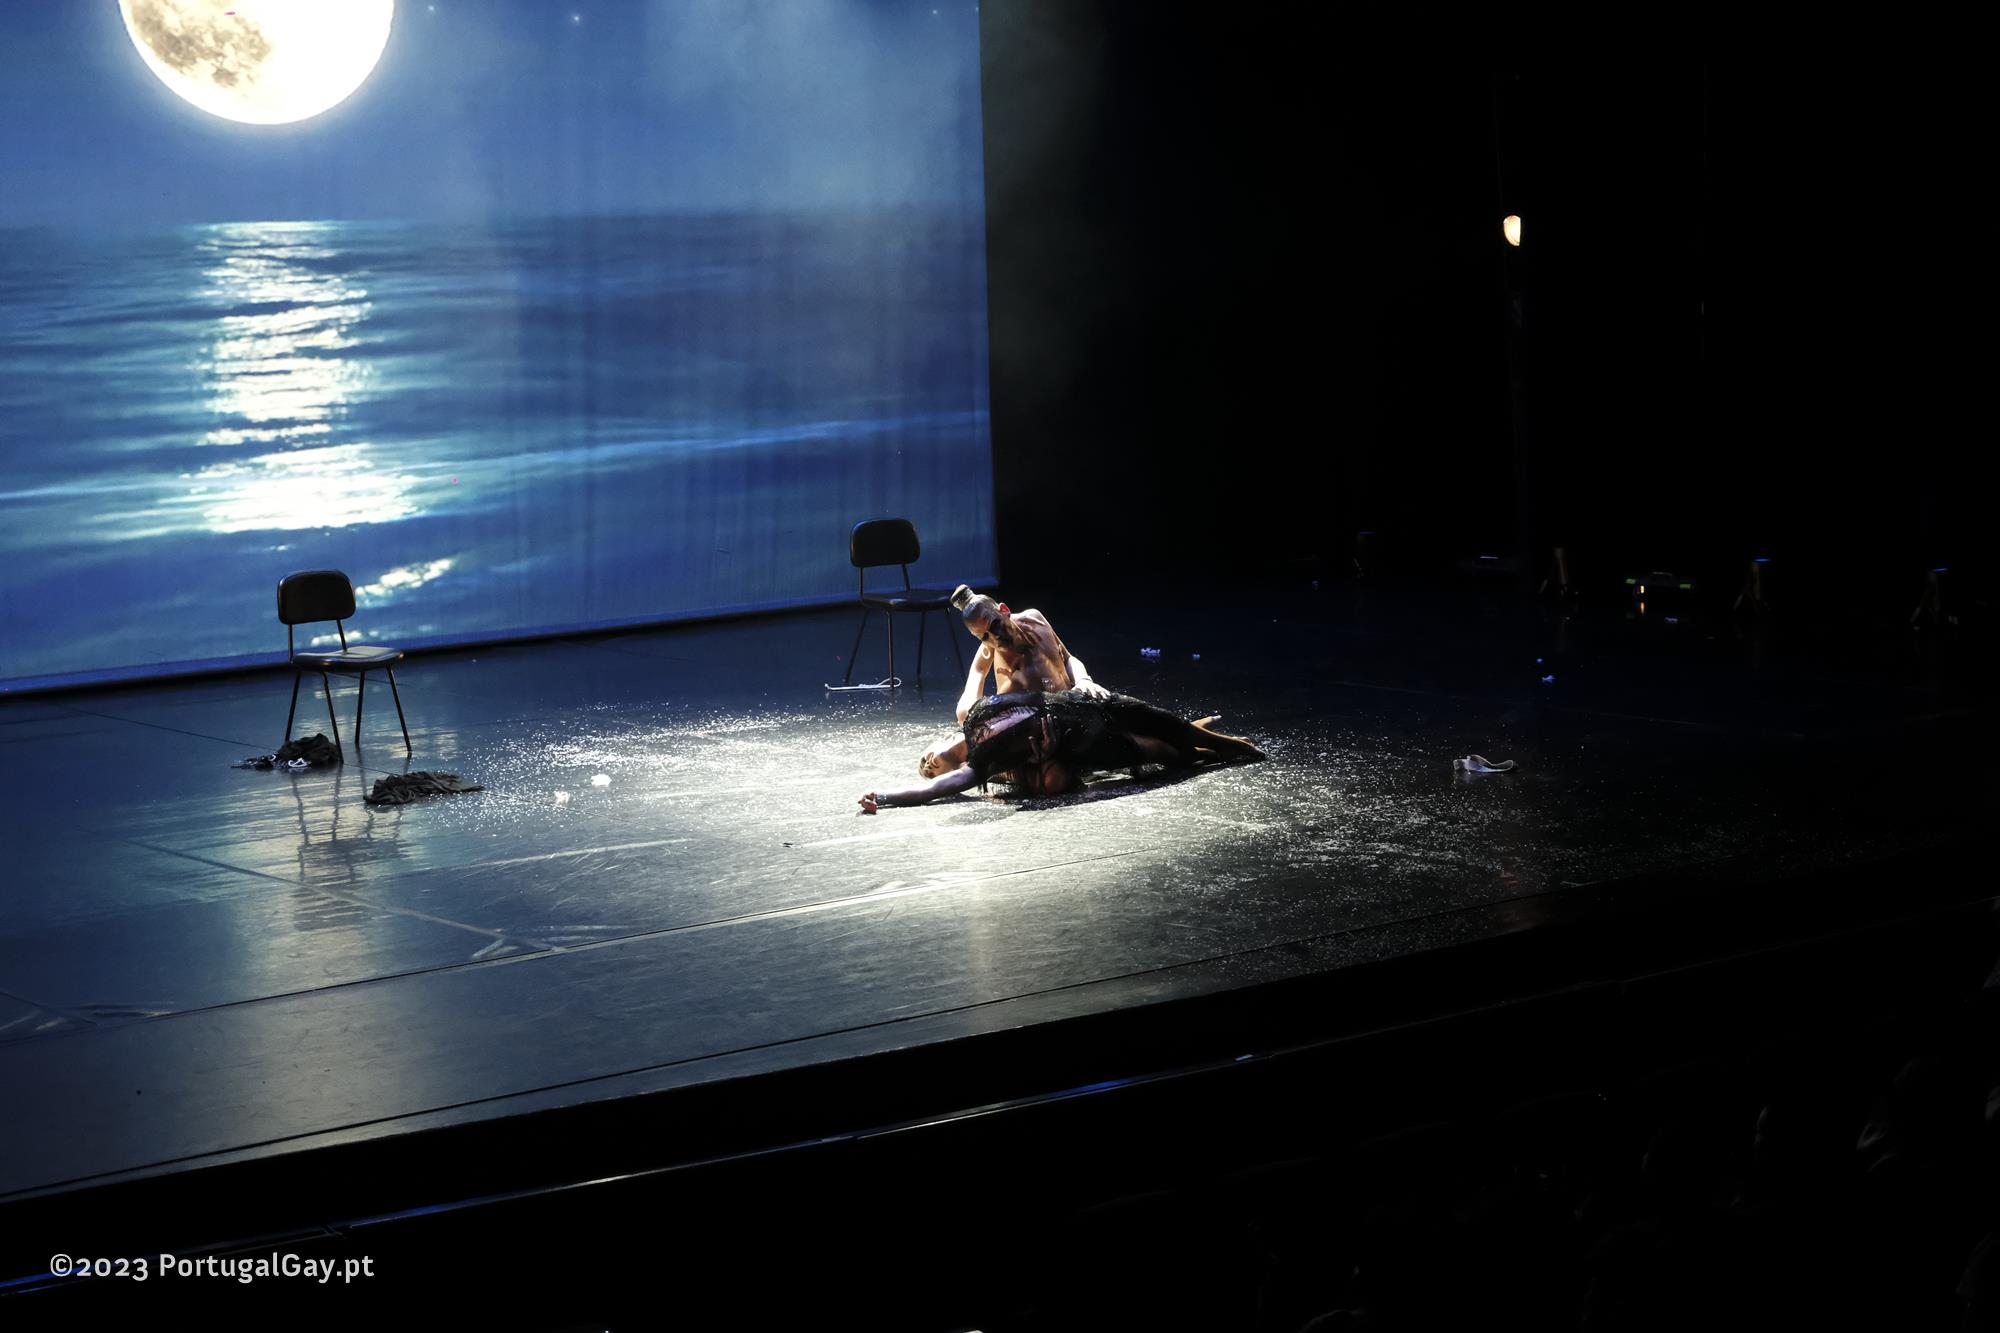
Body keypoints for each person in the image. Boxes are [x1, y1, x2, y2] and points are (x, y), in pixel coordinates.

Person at [862, 688, 1263, 811]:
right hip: (1089, 743)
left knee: (1165, 722)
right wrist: (884, 795)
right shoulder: (983, 767)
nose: (931, 763)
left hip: (1088, 706)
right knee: (1169, 753)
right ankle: (1208, 753)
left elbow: (996, 674)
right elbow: (931, 792)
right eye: (930, 768)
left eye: (926, 758)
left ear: (937, 740)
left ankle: (1217, 742)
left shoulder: (971, 712)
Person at [917, 586, 1108, 779]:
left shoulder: (1034, 619)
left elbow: (1067, 658)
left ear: (1004, 610)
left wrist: (1084, 680)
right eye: (985, 637)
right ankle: (960, 762)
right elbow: (977, 672)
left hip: (1077, 708)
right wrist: (969, 709)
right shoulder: (1000, 661)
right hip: (1047, 731)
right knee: (1053, 778)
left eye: (995, 625)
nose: (995, 637)